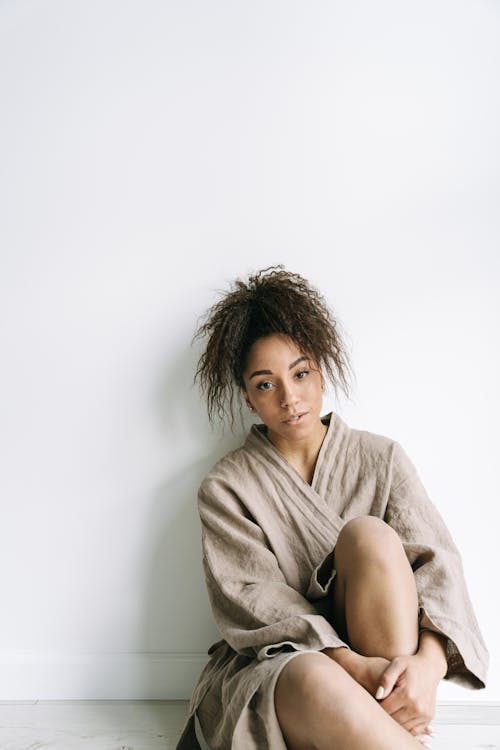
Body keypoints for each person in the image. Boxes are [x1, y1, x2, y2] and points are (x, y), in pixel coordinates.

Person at [176, 266, 488, 750]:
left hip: (386, 663)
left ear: (320, 369)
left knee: (369, 537)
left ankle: (378, 721)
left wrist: (426, 667)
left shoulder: (380, 457)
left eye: (300, 374)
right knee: (313, 675)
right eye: (265, 384)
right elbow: (258, 606)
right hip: (283, 666)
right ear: (247, 397)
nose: (289, 397)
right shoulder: (227, 486)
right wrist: (349, 665)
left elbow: (438, 569)